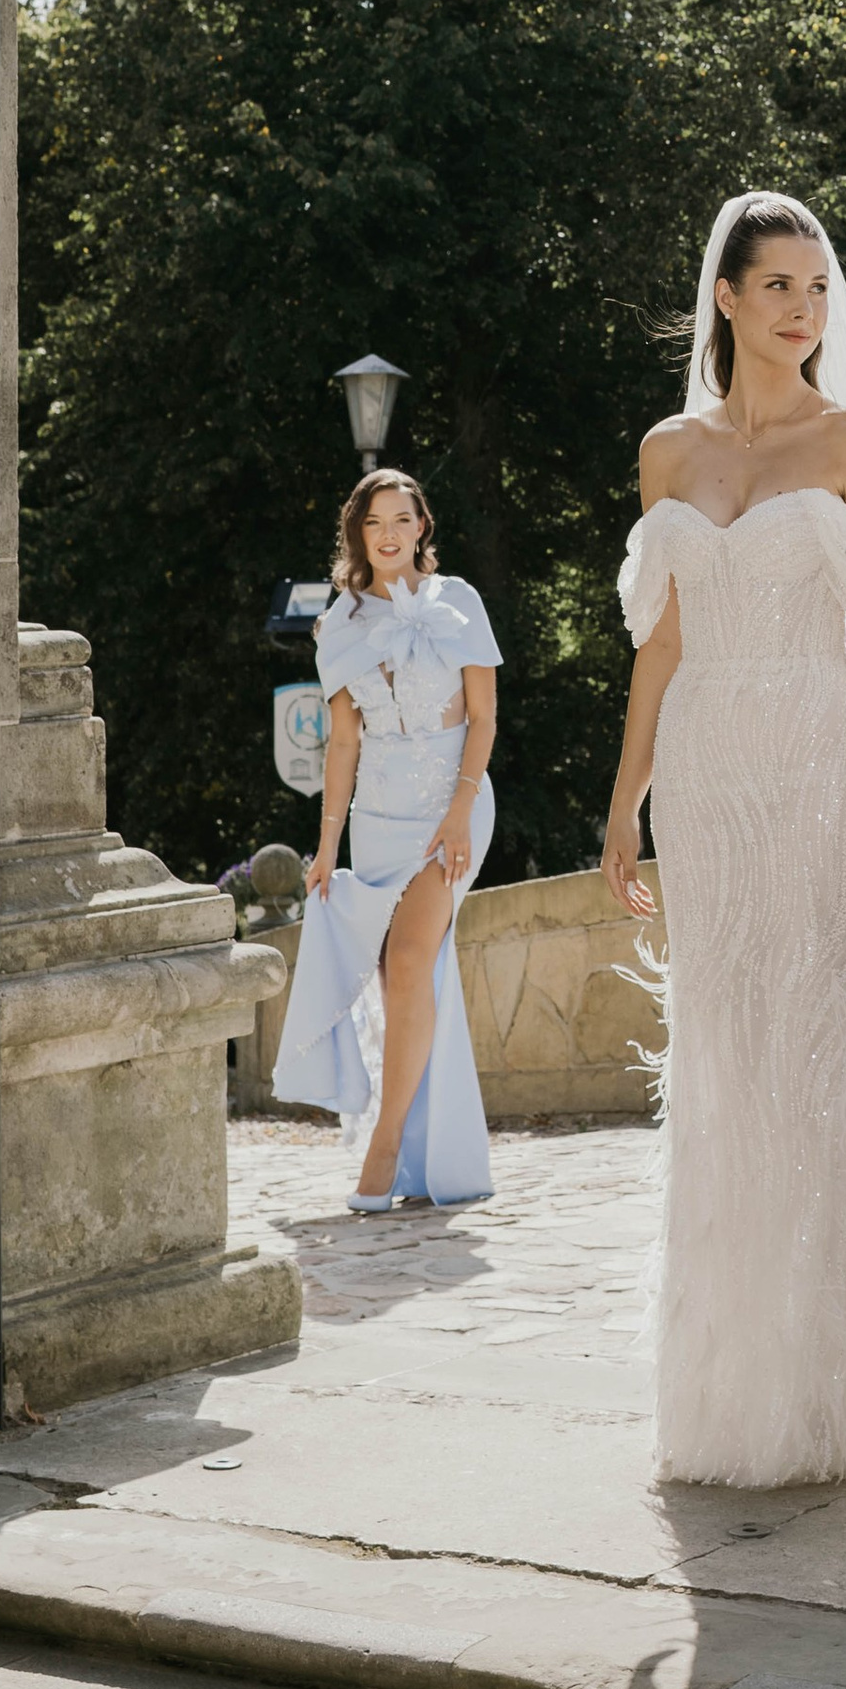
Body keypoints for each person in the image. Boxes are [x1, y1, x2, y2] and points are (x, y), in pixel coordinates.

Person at [601, 193, 846, 1485]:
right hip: (709, 785)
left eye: (819, 289)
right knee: (725, 1057)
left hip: (826, 776)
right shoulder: (669, 452)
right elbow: (659, 642)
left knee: (826, 1047)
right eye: (779, 286)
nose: (804, 310)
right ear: (726, 299)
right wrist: (626, 799)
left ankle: (839, 1393)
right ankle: (732, 1400)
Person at [275, 466, 500, 1212]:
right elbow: (343, 742)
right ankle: (434, 1155)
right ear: (358, 533)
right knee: (401, 981)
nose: (391, 534)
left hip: (451, 805)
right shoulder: (338, 625)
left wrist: (462, 809)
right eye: (376, 522)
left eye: (403, 519)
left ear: (422, 526)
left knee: (408, 962)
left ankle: (386, 1144)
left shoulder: (459, 600)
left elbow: (485, 717)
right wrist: (327, 845)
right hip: (375, 817)